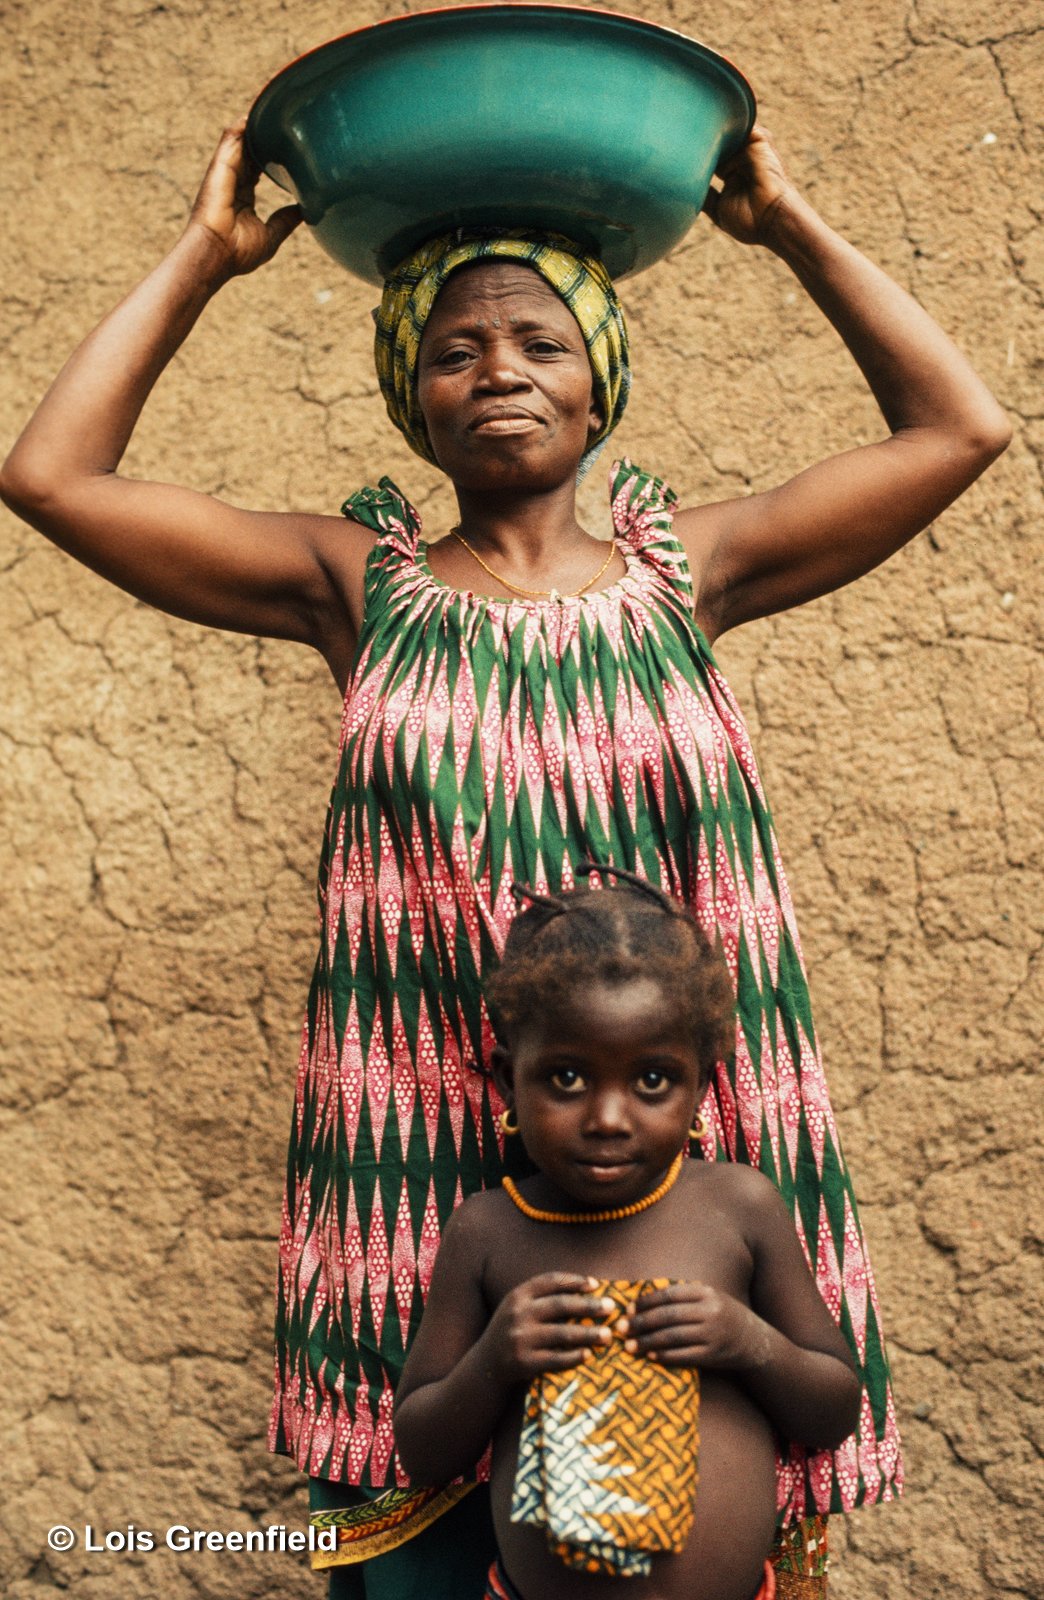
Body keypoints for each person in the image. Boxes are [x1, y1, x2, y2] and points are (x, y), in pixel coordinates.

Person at [0, 112, 1009, 1598]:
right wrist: (206, 260)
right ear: (411, 393)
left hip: (667, 1154)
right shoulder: (359, 587)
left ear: (601, 376)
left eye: (539, 342)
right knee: (431, 1528)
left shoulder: (690, 574)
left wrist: (789, 224)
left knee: (670, 1524)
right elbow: (53, 479)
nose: (499, 375)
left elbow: (960, 429)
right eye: (455, 350)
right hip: (420, 1154)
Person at [393, 868, 862, 1600]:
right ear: (509, 1077)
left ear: (703, 1086)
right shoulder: (488, 1230)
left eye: (651, 1082)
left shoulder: (738, 1208)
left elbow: (835, 1409)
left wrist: (748, 1342)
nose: (608, 1118)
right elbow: (420, 1451)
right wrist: (494, 1360)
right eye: (567, 1079)